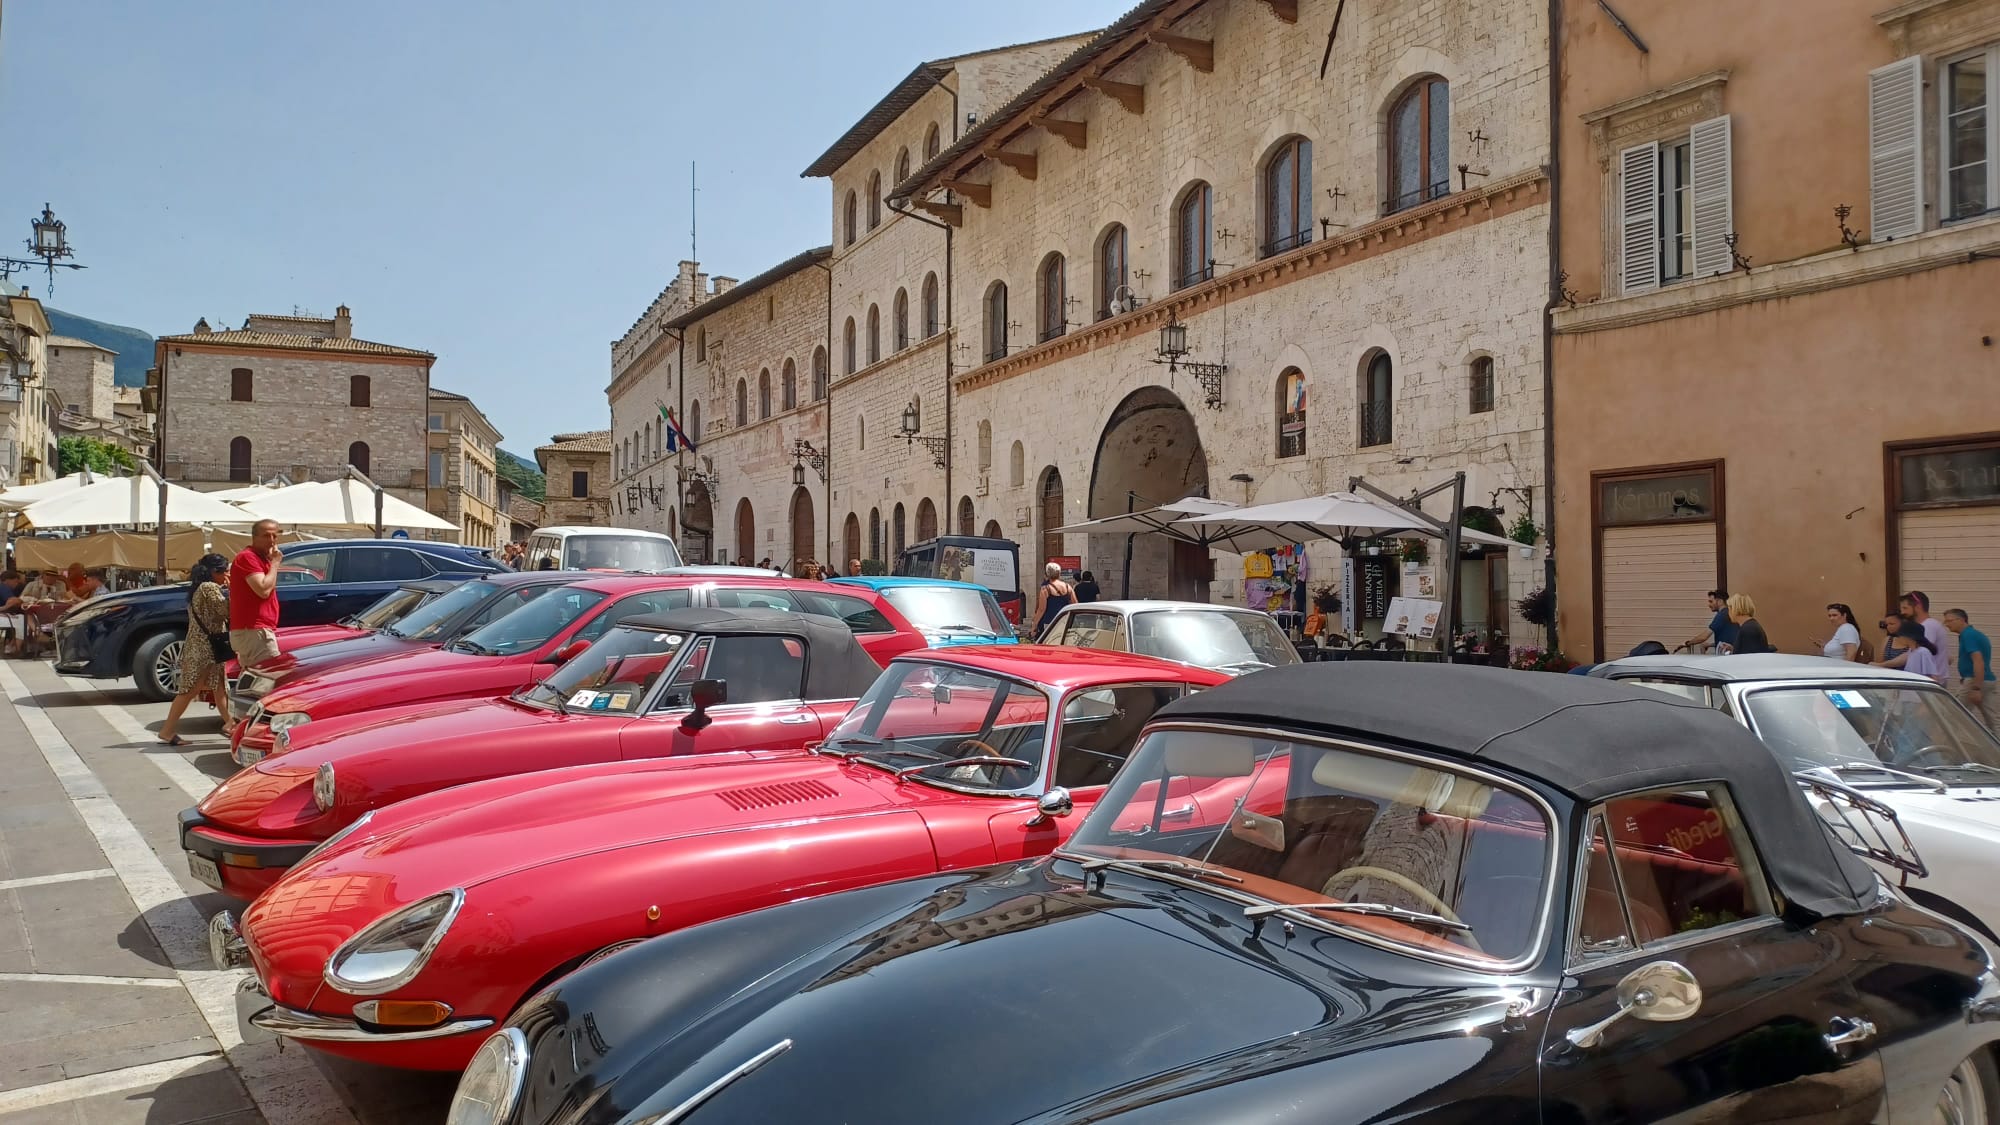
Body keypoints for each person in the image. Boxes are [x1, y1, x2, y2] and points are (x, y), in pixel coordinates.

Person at [156, 554, 233, 747]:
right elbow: (226, 610)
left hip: (202, 646)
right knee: (190, 690)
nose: (227, 574)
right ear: (214, 572)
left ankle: (230, 723)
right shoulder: (209, 587)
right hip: (205, 648)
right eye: (225, 570)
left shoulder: (199, 588)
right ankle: (166, 730)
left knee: (219, 687)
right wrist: (233, 590)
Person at [229, 519, 286, 671]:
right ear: (254, 537)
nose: (272, 541)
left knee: (255, 681)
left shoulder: (261, 559)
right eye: (267, 536)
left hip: (255, 630)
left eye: (275, 536)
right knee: (270, 676)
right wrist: (275, 564)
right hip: (254, 630)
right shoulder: (248, 557)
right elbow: (263, 590)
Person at [1944, 609, 1999, 730]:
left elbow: (1978, 661)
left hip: (1975, 680)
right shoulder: (1973, 634)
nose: (1947, 624)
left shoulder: (1968, 635)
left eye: (1949, 621)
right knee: (1993, 721)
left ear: (1962, 620)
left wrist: (1976, 687)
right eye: (1945, 621)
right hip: (1987, 680)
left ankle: (1951, 746)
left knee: (1954, 714)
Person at [1901, 592, 1948, 676]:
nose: (1902, 612)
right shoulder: (1927, 625)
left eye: (1905, 608)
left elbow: (1921, 651)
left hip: (1930, 682)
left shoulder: (1928, 626)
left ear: (1918, 607)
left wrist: (1883, 665)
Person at [1681, 589, 1739, 654]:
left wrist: (1688, 643)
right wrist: (1710, 645)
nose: (1709, 605)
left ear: (1720, 601)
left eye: (1711, 601)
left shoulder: (1722, 615)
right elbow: (1728, 640)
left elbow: (1703, 637)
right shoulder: (1729, 613)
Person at [1894, 617, 1946, 684]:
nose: (1899, 638)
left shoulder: (1923, 652)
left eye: (1900, 635)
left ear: (1908, 637)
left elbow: (1932, 676)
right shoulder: (1911, 652)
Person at [1033, 562, 1074, 636]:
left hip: (1050, 622)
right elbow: (1075, 604)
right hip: (1065, 621)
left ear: (1047, 574)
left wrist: (1034, 625)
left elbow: (1041, 609)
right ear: (1059, 573)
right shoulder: (1068, 587)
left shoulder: (1045, 589)